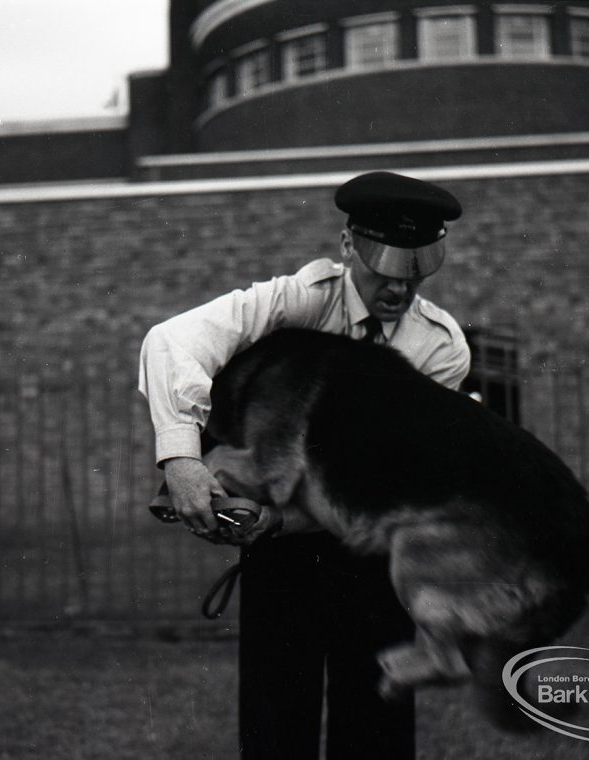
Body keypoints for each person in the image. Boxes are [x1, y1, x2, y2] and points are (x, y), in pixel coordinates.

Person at [137, 171, 471, 759]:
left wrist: (282, 520)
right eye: (384, 273)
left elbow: (389, 483)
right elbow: (172, 341)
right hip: (282, 565)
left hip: (369, 550)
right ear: (349, 247)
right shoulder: (296, 301)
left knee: (376, 725)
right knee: (274, 721)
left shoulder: (440, 348)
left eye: (414, 277)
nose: (397, 292)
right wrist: (182, 460)